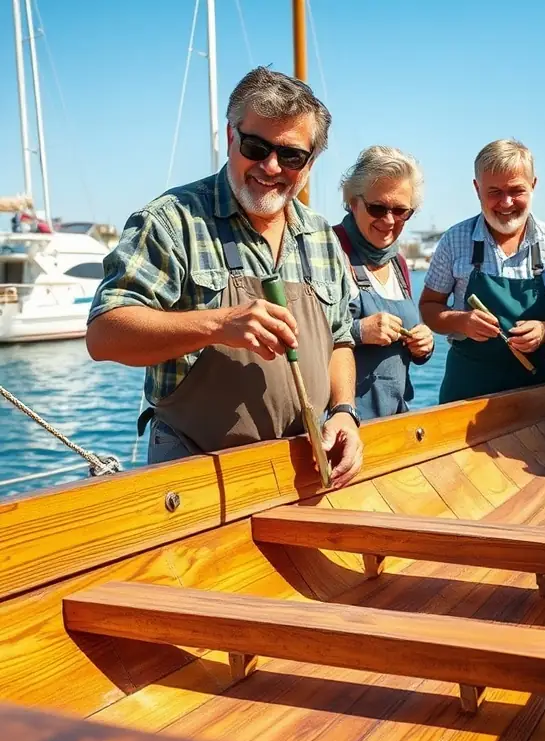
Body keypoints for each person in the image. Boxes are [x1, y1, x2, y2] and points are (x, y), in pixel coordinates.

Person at [86, 66, 363, 487]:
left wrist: (344, 411)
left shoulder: (322, 237)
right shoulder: (170, 221)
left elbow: (340, 340)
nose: (270, 166)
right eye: (256, 146)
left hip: (302, 472)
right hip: (194, 473)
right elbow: (104, 334)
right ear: (232, 138)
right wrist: (219, 324)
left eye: (290, 155)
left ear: (309, 164)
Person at [420, 139, 545, 402]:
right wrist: (460, 321)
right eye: (494, 192)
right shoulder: (454, 240)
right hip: (466, 391)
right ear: (477, 188)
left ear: (533, 185)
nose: (506, 202)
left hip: (538, 392)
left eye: (516, 190)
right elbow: (429, 307)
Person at [333, 146, 434, 421]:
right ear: (353, 202)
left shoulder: (399, 264)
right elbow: (304, 339)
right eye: (377, 208)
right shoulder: (329, 251)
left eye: (401, 211)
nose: (389, 220)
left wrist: (424, 345)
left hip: (394, 421)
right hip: (341, 424)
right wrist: (358, 331)